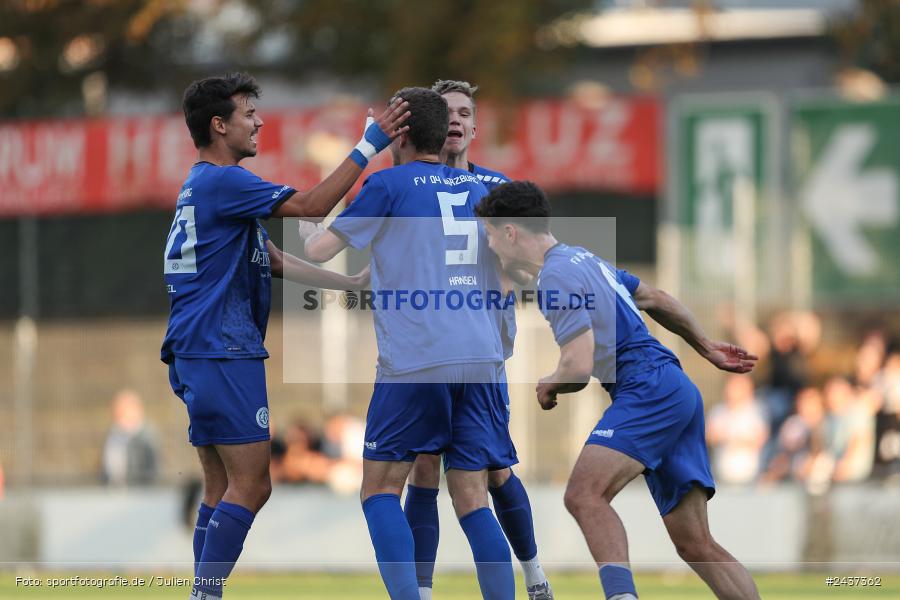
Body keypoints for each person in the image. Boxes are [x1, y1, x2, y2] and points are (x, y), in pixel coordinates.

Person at [162, 72, 408, 600]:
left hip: (196, 349)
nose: (259, 123)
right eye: (249, 114)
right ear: (219, 125)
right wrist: (370, 145)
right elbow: (312, 205)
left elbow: (271, 259)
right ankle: (205, 593)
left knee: (220, 487)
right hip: (222, 348)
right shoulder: (225, 183)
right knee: (253, 485)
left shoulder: (202, 186)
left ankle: (204, 591)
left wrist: (349, 283)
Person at [475, 180, 761, 600]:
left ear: (510, 232)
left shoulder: (554, 278)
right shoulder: (586, 258)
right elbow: (655, 298)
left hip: (646, 388)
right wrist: (706, 348)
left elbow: (578, 366)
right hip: (675, 386)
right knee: (696, 544)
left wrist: (551, 384)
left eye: (489, 234)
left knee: (584, 495)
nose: (490, 246)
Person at [303, 87, 515, 600]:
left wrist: (310, 223)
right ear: (444, 135)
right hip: (482, 359)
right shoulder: (479, 187)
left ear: (398, 135)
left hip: (417, 360)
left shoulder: (387, 184)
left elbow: (320, 249)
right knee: (474, 499)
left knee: (379, 489)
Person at [706, 375, 768, 485]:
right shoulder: (718, 411)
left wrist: (729, 438)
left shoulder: (757, 411)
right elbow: (709, 436)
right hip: (720, 477)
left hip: (750, 479)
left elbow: (760, 439)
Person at [101, 389, 160, 486]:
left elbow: (153, 471)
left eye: (122, 411)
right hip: (113, 490)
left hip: (138, 491)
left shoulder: (147, 437)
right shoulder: (112, 433)